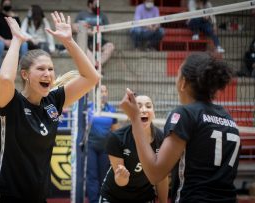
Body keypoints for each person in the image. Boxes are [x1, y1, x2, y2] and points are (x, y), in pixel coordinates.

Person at [0, 11, 100, 203]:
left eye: (50, 69)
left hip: (40, 196)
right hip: (9, 195)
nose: (48, 74)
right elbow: (6, 77)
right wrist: (16, 40)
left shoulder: (53, 101)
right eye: (40, 69)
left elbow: (92, 78)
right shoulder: (11, 102)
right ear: (25, 75)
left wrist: (69, 41)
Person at [120, 52, 240, 203]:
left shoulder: (185, 114)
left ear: (183, 82)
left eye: (177, 75)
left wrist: (135, 120)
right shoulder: (228, 119)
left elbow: (155, 174)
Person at [100, 94, 168, 203]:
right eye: (138, 106)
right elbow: (120, 182)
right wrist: (122, 176)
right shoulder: (117, 138)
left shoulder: (162, 139)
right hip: (114, 196)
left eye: (148, 106)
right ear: (130, 114)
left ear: (154, 113)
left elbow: (161, 178)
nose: (144, 110)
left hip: (144, 197)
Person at [86, 85, 119, 203]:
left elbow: (115, 130)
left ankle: (103, 199)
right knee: (92, 175)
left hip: (105, 147)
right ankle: (94, 201)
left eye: (105, 91)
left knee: (104, 175)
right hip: (91, 146)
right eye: (101, 91)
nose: (103, 93)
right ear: (95, 94)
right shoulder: (88, 107)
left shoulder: (112, 109)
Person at [0, 0, 28, 75]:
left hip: (13, 41)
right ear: (2, 6)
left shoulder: (15, 17)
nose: (7, 5)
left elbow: (18, 31)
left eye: (8, 4)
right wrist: (4, 41)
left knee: (24, 44)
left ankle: (23, 67)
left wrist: (14, 41)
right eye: (5, 4)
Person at [73, 0, 115, 67]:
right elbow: (74, 27)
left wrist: (99, 30)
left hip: (98, 39)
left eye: (98, 4)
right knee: (82, 48)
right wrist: (87, 31)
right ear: (90, 4)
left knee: (110, 46)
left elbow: (108, 29)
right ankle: (94, 66)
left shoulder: (102, 15)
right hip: (85, 39)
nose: (98, 6)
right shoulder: (82, 14)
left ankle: (98, 65)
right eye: (96, 4)